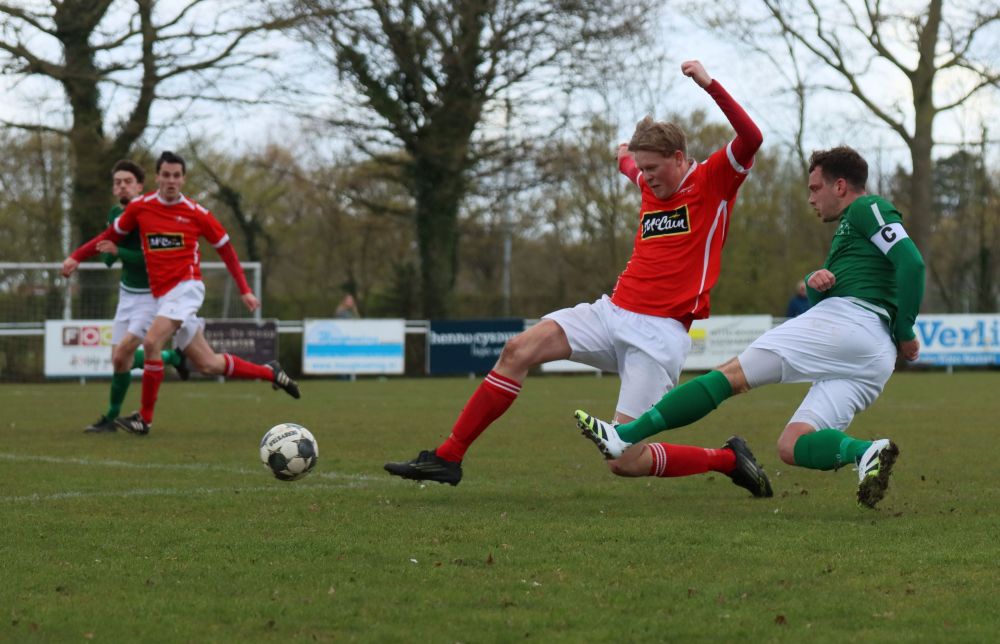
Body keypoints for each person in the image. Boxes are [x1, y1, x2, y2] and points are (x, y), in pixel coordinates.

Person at [385, 60, 771, 496]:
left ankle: (727, 460)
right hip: (612, 312)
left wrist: (709, 84)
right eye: (641, 170)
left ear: (679, 158)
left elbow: (752, 138)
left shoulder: (715, 180)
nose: (646, 178)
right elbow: (630, 165)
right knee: (517, 350)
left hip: (660, 335)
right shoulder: (648, 183)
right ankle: (448, 457)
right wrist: (625, 156)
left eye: (654, 169)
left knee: (624, 462)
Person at [575, 146, 925, 509]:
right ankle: (866, 452)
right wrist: (814, 280)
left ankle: (623, 435)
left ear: (840, 186)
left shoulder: (867, 209)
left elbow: (911, 263)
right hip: (873, 356)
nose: (810, 198)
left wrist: (905, 329)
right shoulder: (851, 234)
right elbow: (853, 285)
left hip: (854, 324)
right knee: (792, 445)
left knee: (731, 376)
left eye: (814, 188)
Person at [62, 151, 301, 435]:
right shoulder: (140, 208)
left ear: (183, 179)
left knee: (151, 342)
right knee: (208, 364)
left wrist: (245, 290)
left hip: (186, 289)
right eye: (166, 175)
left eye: (177, 176)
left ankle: (144, 419)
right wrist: (76, 256)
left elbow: (227, 250)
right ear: (158, 177)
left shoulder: (197, 214)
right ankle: (270, 372)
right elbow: (109, 237)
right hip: (161, 297)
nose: (171, 181)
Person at [74, 160, 193, 433]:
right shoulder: (116, 213)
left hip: (150, 296)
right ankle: (173, 358)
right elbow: (108, 251)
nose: (122, 186)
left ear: (140, 186)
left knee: (126, 350)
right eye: (117, 182)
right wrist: (104, 254)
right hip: (126, 294)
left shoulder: (148, 216)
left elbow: (148, 259)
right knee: (118, 359)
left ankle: (112, 417)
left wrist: (118, 252)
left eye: (128, 181)